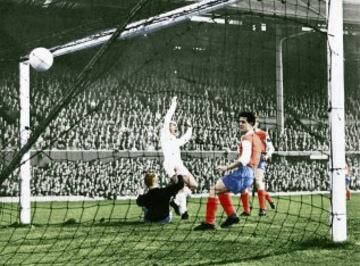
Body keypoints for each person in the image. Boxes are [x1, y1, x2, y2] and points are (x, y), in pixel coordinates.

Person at [194, 112, 262, 230]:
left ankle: (209, 222)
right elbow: (249, 156)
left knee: (213, 189)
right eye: (239, 121)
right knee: (221, 191)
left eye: (243, 122)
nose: (240, 124)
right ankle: (232, 216)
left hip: (243, 172)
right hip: (250, 175)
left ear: (250, 123)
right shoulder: (255, 138)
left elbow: (244, 159)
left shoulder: (246, 138)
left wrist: (226, 167)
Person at [160, 96, 198, 220]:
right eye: (173, 125)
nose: (175, 126)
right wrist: (174, 104)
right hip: (171, 165)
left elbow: (185, 138)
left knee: (193, 185)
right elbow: (167, 118)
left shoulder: (176, 140)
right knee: (180, 186)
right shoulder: (165, 135)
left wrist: (190, 127)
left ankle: (176, 203)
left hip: (179, 164)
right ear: (168, 127)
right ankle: (183, 211)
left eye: (176, 125)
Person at [253, 116, 276, 216]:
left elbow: (271, 148)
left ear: (257, 123)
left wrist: (267, 156)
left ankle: (263, 209)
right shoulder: (246, 135)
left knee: (258, 183)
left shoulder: (263, 134)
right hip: (250, 161)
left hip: (260, 160)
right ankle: (270, 200)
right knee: (255, 184)